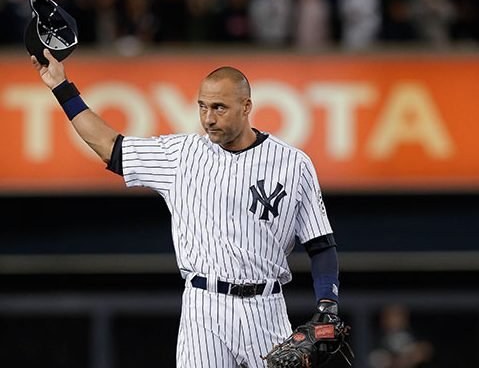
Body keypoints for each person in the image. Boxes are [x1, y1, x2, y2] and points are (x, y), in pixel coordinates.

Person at [31, 49, 343, 368]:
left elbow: (321, 245)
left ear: (247, 107)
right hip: (202, 307)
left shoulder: (292, 164)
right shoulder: (181, 156)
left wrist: (328, 303)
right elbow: (109, 147)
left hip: (266, 307)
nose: (208, 118)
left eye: (219, 107)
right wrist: (61, 86)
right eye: (202, 107)